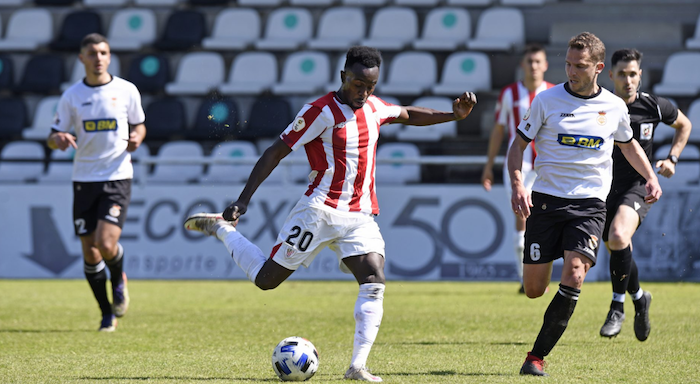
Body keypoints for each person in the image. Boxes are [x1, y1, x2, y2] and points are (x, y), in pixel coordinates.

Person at [183, 46, 477, 382]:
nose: (363, 93)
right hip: (318, 212)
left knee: (374, 279)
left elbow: (408, 114)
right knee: (267, 281)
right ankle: (223, 229)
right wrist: (243, 200)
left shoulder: (375, 107)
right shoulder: (319, 112)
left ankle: (357, 366)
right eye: (357, 85)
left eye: (370, 87)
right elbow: (275, 152)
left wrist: (453, 116)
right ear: (343, 77)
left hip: (360, 215)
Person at [507, 32, 662, 376]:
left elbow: (629, 145)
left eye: (579, 66)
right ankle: (547, 282)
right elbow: (517, 146)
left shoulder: (614, 106)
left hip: (590, 206)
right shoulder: (546, 101)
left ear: (597, 68)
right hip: (546, 202)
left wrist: (650, 177)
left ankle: (536, 357)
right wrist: (518, 184)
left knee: (575, 274)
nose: (571, 71)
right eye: (568, 64)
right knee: (534, 290)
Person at [47, 33, 146, 332]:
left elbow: (139, 124)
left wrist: (137, 138)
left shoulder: (126, 90)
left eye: (103, 52)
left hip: (116, 176)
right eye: (92, 53)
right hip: (83, 180)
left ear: (110, 56)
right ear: (82, 58)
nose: (98, 58)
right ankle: (106, 313)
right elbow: (52, 137)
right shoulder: (72, 96)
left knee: (105, 243)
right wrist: (58, 139)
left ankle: (118, 279)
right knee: (89, 250)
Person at [599, 48, 692, 341]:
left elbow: (684, 125)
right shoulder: (599, 106)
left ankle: (617, 306)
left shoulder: (653, 105)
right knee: (618, 247)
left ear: (641, 75)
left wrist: (672, 159)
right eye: (622, 74)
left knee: (617, 237)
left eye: (633, 74)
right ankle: (640, 297)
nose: (628, 80)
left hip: (639, 185)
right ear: (610, 75)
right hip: (601, 188)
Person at [481, 43, 555, 293]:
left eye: (538, 62)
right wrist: (489, 166)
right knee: (522, 219)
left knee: (546, 221)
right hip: (518, 167)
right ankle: (524, 278)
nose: (533, 66)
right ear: (522, 65)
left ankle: (540, 277)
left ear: (545, 65)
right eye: (529, 62)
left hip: (548, 166)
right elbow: (499, 130)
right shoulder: (509, 94)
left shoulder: (555, 93)